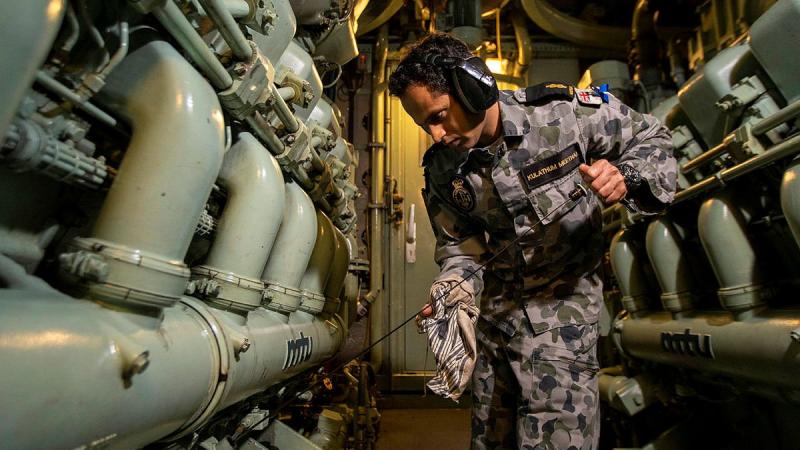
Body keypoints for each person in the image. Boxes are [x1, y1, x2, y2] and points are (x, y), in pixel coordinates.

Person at [387, 32, 677, 449]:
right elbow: (460, 247)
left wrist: (626, 176)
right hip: (496, 328)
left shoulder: (563, 115)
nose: (436, 134)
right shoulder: (443, 168)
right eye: (424, 125)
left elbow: (654, 139)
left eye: (439, 116)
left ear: (473, 87)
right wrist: (454, 285)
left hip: (563, 325)